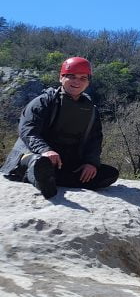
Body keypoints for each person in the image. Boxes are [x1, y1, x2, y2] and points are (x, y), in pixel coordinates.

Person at [1, 57, 119, 199]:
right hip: (35, 154)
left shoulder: (91, 110)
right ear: (61, 78)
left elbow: (94, 139)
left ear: (88, 82)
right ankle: (36, 171)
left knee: (109, 174)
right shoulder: (43, 102)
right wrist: (45, 150)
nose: (77, 82)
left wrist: (91, 162)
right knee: (40, 162)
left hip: (66, 162)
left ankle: (46, 177)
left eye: (83, 78)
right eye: (71, 76)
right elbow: (28, 130)